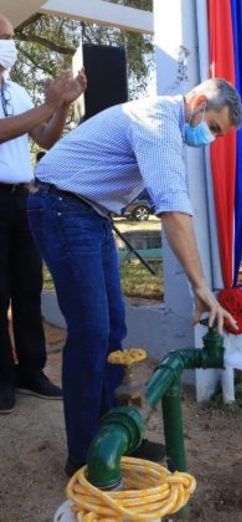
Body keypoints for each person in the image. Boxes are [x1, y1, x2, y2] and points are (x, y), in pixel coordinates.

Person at [28, 77, 242, 475]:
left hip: (89, 212)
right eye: (213, 127)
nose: (210, 138)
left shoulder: (167, 128)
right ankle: (84, 454)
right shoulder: (157, 123)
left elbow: (176, 203)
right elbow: (174, 210)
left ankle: (115, 436)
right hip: (62, 207)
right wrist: (201, 288)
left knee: (112, 329)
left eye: (218, 134)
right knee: (91, 333)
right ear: (198, 101)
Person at [0, 12, 86, 415]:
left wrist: (62, 108)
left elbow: (45, 137)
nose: (9, 43)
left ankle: (31, 371)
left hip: (23, 199)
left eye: (11, 36)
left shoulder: (16, 89)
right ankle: (2, 379)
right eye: (2, 36)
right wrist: (48, 104)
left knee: (28, 289)